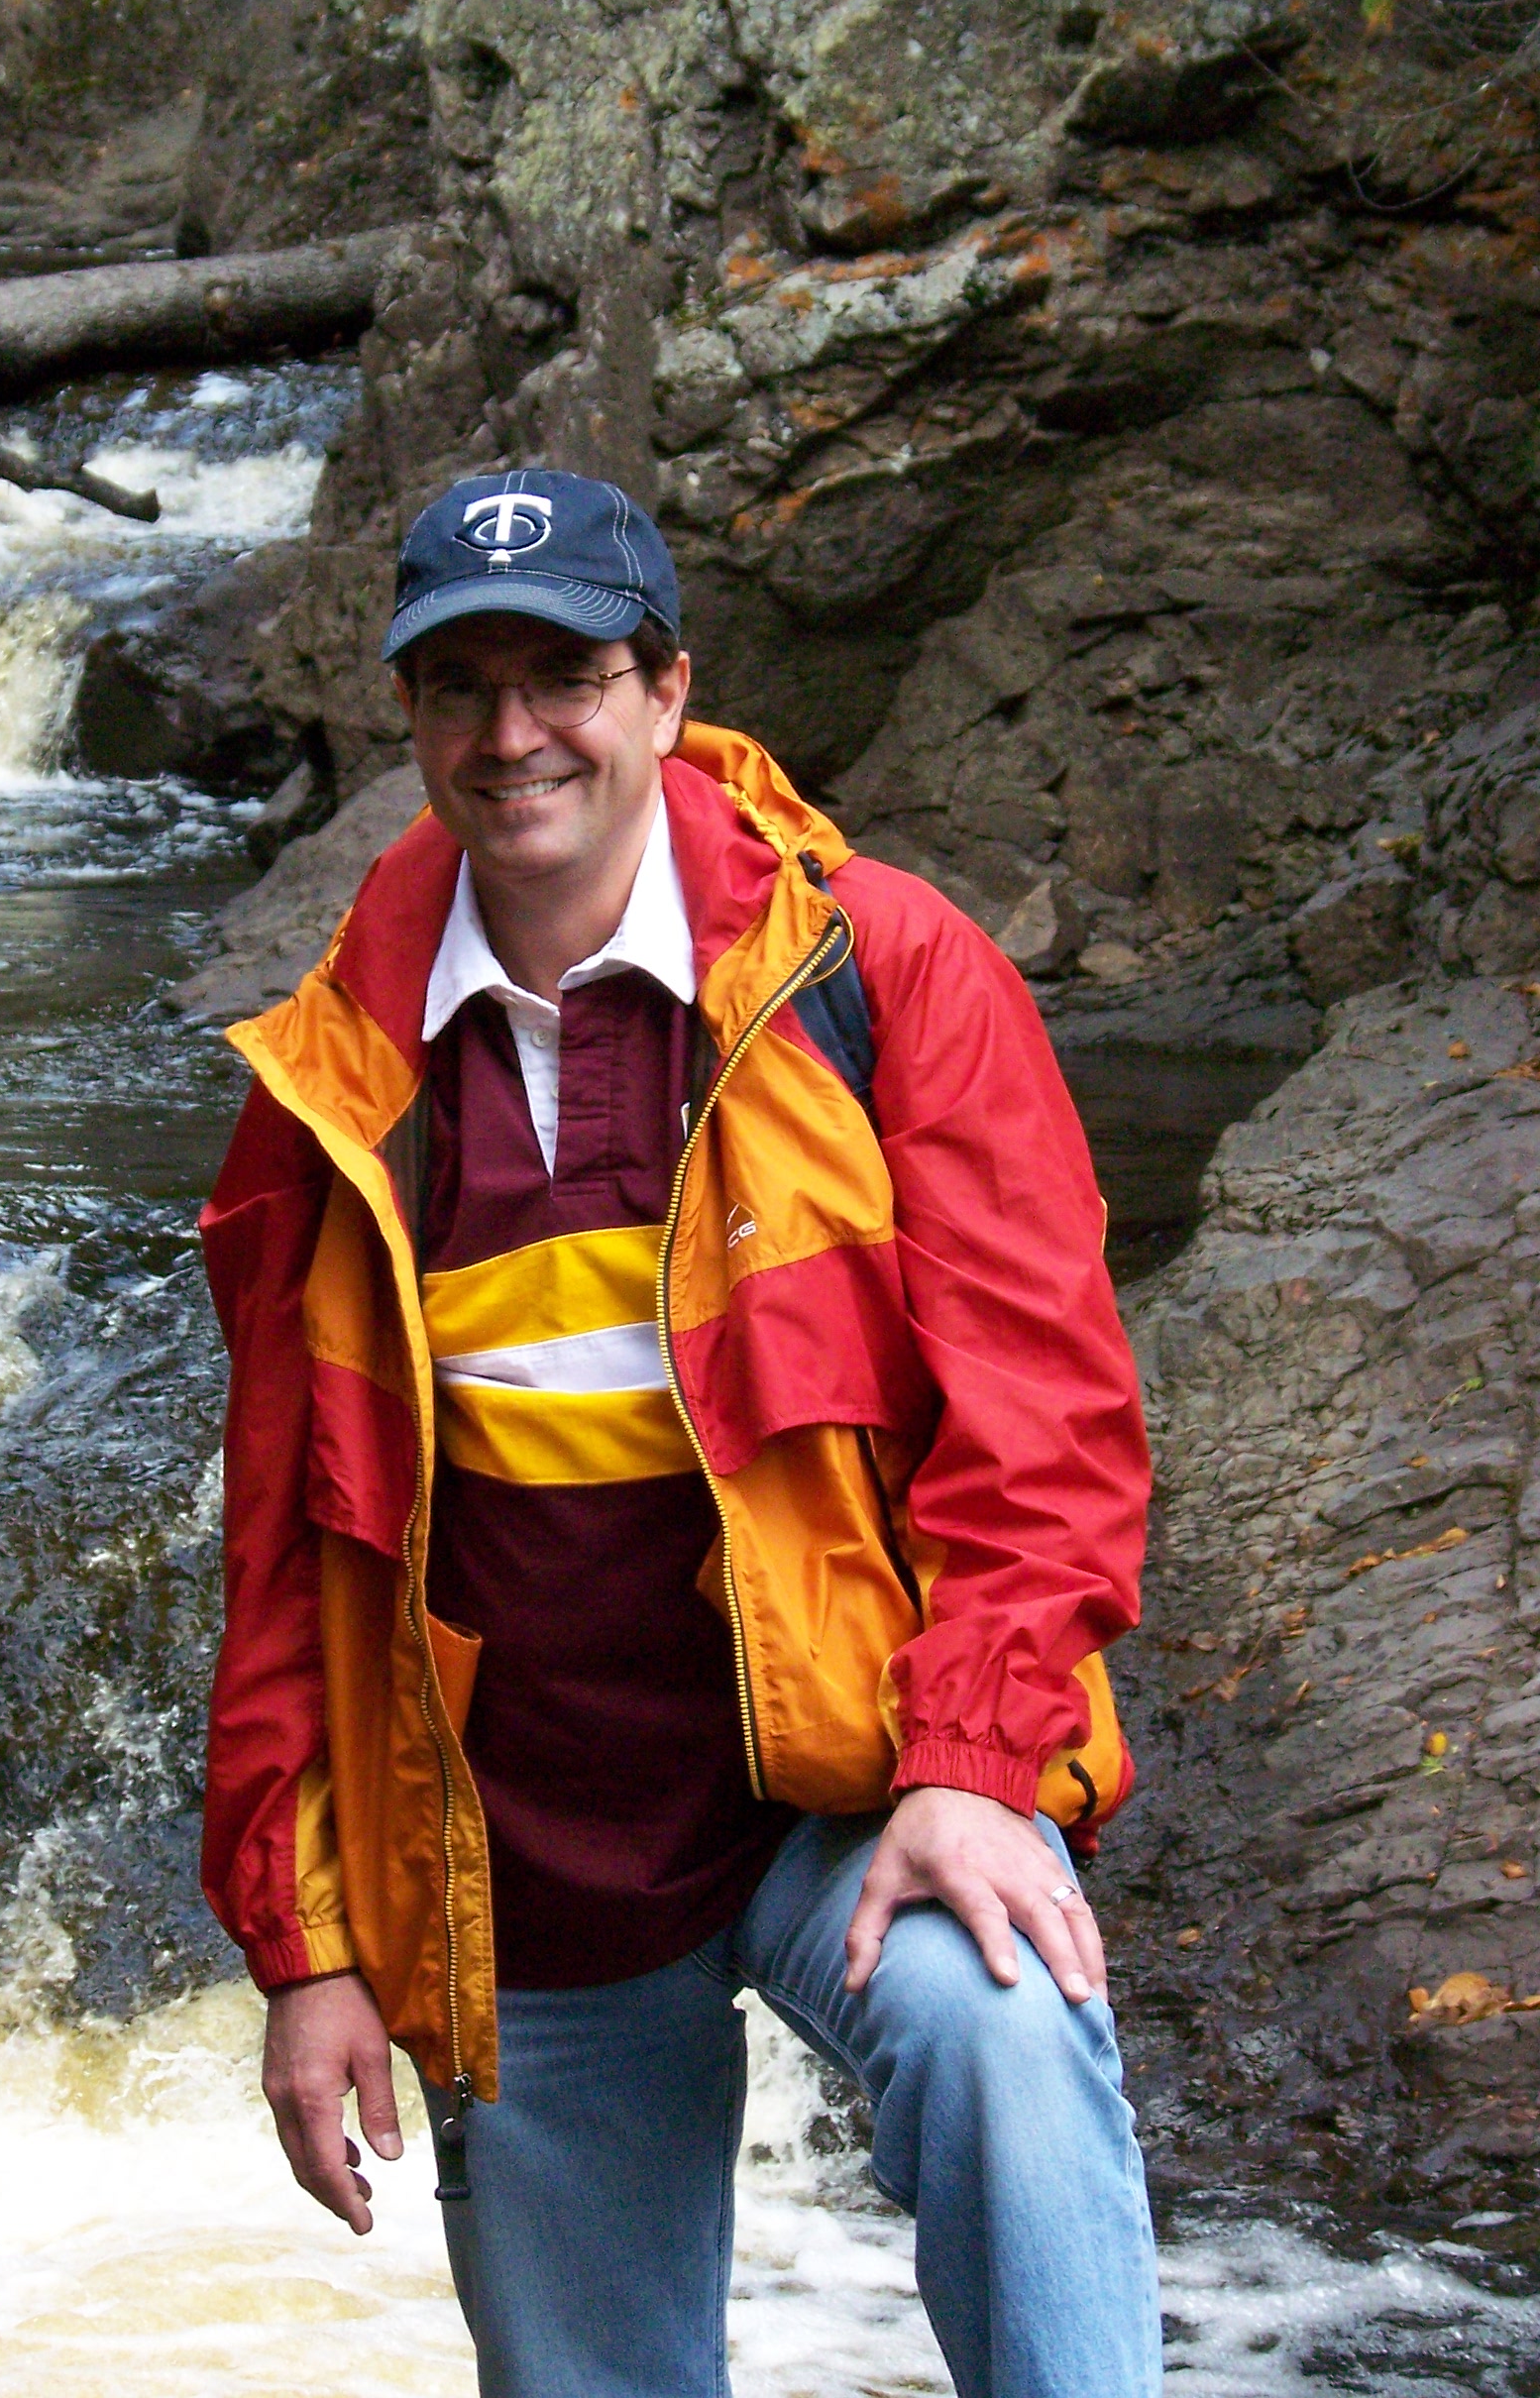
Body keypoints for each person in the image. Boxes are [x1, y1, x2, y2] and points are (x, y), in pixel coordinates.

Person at [198, 467, 1161, 2398]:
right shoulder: (331, 1089)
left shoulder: (877, 979)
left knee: (997, 2014)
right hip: (522, 1858)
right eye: (455, 686)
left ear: (661, 688)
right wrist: (304, 1946)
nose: (508, 735)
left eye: (559, 673)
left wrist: (972, 1768)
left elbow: (1041, 1433)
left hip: (849, 1792)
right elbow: (294, 1562)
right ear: (405, 720)